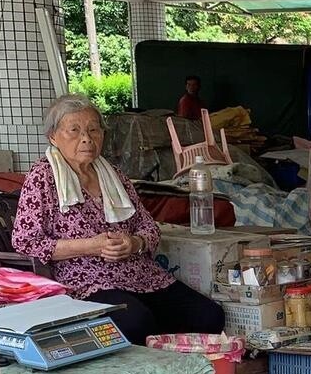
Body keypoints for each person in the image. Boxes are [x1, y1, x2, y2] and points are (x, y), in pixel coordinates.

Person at [13, 94, 225, 345]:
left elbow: (149, 228)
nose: (86, 138)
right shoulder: (43, 176)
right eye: (74, 130)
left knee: (209, 316)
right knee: (137, 323)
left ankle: (168, 359)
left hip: (141, 275)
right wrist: (92, 245)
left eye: (94, 129)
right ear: (53, 137)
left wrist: (135, 243)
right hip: (86, 280)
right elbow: (26, 241)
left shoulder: (113, 174)